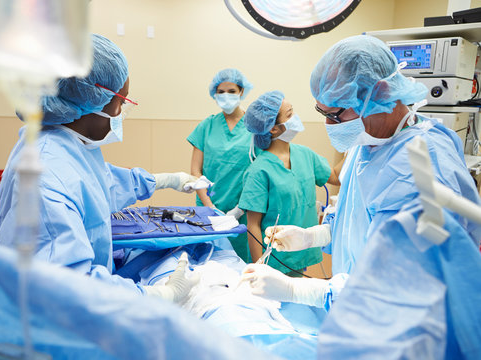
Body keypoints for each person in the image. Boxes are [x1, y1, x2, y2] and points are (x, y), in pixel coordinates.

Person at [245, 35, 481, 325]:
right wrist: (311, 236)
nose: (328, 125)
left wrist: (297, 289)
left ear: (380, 93)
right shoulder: (368, 144)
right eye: (323, 113)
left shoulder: (421, 171)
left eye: (334, 114)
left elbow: (404, 286)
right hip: (362, 313)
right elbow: (357, 222)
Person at [0, 34, 198, 303]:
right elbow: (68, 289)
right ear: (94, 98)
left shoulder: (62, 145)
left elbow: (101, 184)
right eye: (122, 101)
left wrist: (167, 180)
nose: (122, 110)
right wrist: (162, 294)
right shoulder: (46, 180)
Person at [238, 91, 341, 271]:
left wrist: (357, 146)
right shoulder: (259, 171)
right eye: (290, 114)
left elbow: (335, 177)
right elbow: (252, 225)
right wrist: (259, 269)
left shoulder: (305, 155)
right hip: (273, 259)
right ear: (274, 128)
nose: (296, 117)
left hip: (301, 253)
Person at [187, 68, 255, 262]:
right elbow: (195, 171)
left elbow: (259, 172)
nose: (226, 96)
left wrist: (240, 208)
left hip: (244, 211)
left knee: (241, 266)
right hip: (208, 211)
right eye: (221, 92)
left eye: (232, 91)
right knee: (210, 263)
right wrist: (211, 208)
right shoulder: (206, 126)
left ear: (241, 91)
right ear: (214, 94)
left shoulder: (254, 128)